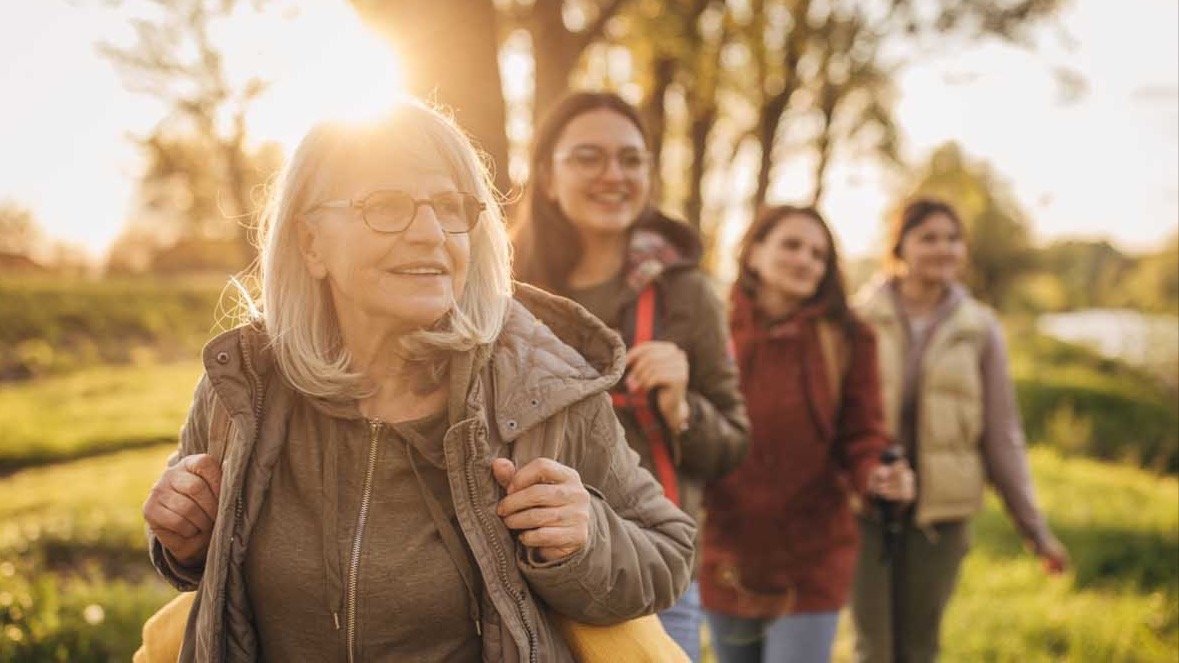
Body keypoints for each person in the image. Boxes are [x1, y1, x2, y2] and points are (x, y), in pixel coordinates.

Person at [141, 98, 696, 662]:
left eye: (452, 207)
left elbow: (669, 552)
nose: (432, 234)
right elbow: (201, 563)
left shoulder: (542, 388)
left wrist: (588, 538)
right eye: (387, 206)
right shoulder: (243, 387)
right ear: (311, 243)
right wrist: (182, 540)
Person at [512, 91, 750, 660]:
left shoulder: (686, 292)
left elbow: (732, 443)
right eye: (589, 157)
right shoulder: (502, 291)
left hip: (650, 573)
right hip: (521, 565)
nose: (612, 175)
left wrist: (682, 406)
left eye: (631, 159)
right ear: (547, 177)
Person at [850, 198, 1070, 662]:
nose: (943, 248)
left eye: (953, 239)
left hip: (940, 516)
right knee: (873, 647)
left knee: (919, 646)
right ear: (900, 246)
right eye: (928, 237)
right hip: (864, 509)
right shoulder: (860, 318)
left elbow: (1001, 432)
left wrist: (1034, 529)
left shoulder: (980, 328)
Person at [700, 205, 914, 663]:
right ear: (754, 253)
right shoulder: (710, 329)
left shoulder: (848, 338)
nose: (806, 261)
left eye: (819, 254)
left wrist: (877, 471)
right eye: (792, 245)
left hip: (812, 558)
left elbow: (863, 433)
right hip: (725, 553)